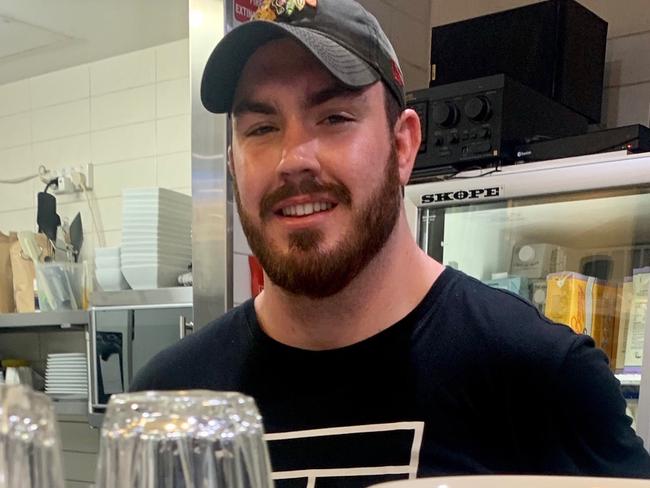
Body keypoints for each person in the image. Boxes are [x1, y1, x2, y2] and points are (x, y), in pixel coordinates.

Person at [131, 0, 650, 485]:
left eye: (334, 117)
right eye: (262, 128)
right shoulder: (169, 399)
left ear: (403, 146)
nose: (293, 159)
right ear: (233, 165)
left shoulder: (541, 377)